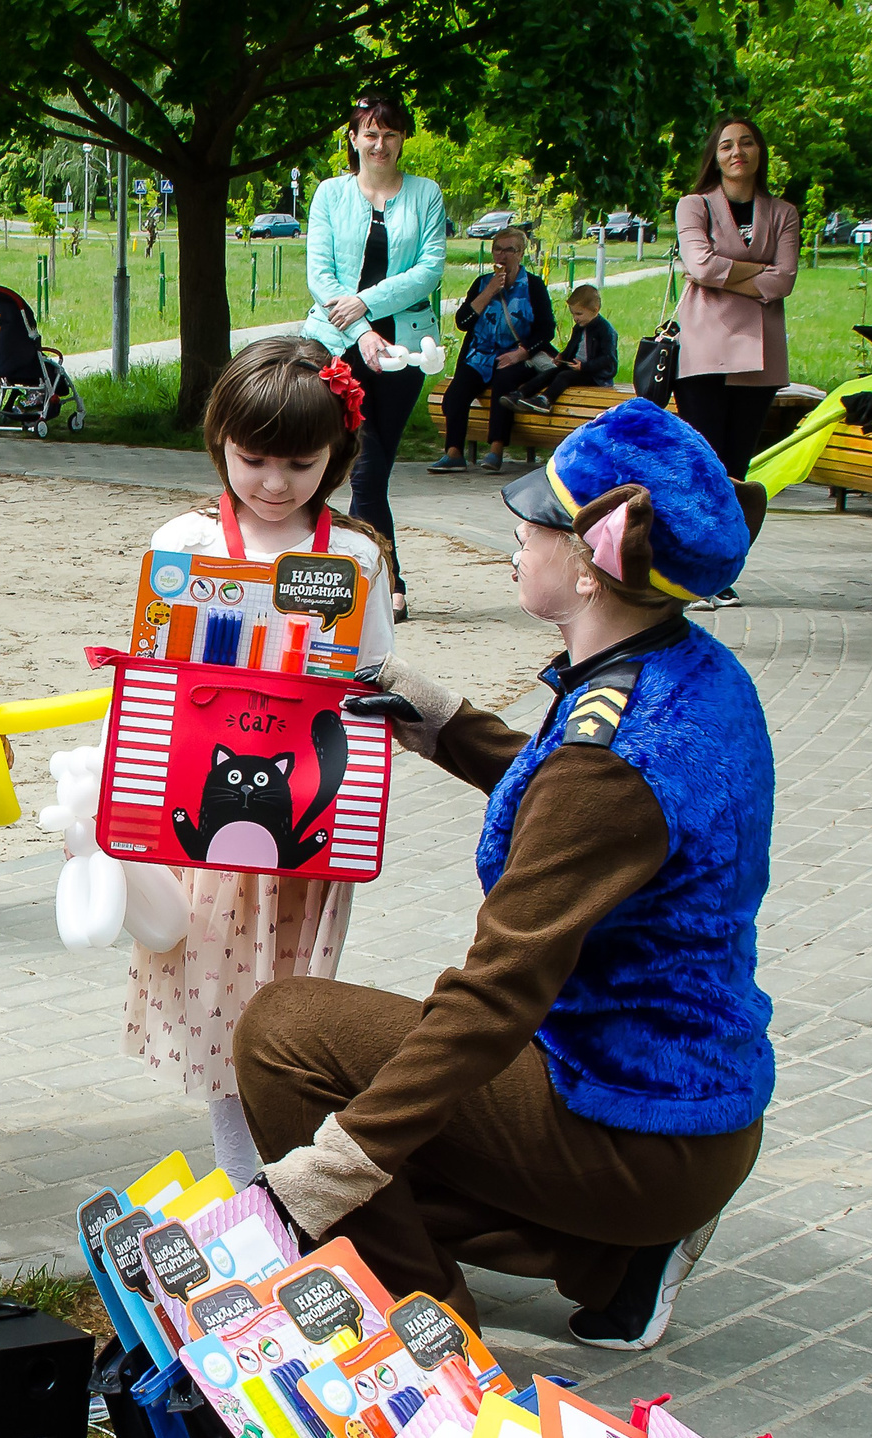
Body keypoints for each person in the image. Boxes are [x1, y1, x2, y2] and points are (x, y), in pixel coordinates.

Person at [235, 398, 773, 1351]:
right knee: (397, 1125)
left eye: (537, 523)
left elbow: (498, 991)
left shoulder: (611, 763)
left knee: (289, 1039)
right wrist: (440, 719)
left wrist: (331, 1172)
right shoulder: (689, 669)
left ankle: (425, 1347)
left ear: (596, 557)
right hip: (685, 1099)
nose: (517, 539)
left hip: (632, 1123)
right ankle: (617, 1258)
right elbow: (579, 807)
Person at [131, 338, 394, 1183]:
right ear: (220, 445)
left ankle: (282, 1169)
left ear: (337, 456)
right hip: (205, 822)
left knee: (288, 997)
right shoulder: (184, 541)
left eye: (299, 462)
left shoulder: (354, 557)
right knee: (212, 997)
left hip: (307, 825)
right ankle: (244, 1175)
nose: (274, 483)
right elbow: (148, 677)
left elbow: (374, 683)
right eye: (253, 459)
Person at [306, 87, 447, 616]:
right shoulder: (330, 194)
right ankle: (387, 582)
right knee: (359, 465)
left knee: (374, 467)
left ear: (403, 138)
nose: (380, 143)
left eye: (390, 133)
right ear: (353, 136)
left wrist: (364, 302)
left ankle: (359, 577)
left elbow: (428, 271)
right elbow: (320, 274)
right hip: (338, 346)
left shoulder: (426, 193)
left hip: (405, 352)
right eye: (371, 133)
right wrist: (362, 329)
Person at [673, 116, 800, 487]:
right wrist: (759, 269)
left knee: (736, 470)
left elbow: (784, 280)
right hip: (704, 352)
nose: (737, 152)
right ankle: (697, 544)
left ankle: (731, 546)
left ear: (760, 152)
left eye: (746, 142)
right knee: (704, 466)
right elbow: (701, 264)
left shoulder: (783, 213)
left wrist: (718, 274)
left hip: (760, 356)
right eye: (726, 145)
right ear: (715, 157)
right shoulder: (694, 205)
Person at [432, 227, 553, 474]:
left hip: (515, 354)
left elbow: (546, 329)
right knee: (456, 394)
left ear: (520, 254)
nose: (503, 255)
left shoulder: (533, 286)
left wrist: (522, 352)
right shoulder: (482, 283)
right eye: (498, 249)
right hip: (480, 354)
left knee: (504, 385)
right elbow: (463, 322)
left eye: (510, 250)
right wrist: (488, 293)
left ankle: (496, 449)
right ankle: (453, 453)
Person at [505, 283, 618, 416]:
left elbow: (608, 360)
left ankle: (545, 400)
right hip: (577, 367)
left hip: (596, 375)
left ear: (595, 310)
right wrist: (563, 357)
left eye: (579, 314)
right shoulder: (579, 327)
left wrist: (584, 367)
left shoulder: (605, 330)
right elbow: (572, 346)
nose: (576, 318)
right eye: (573, 314)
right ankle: (520, 394)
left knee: (564, 376)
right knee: (551, 372)